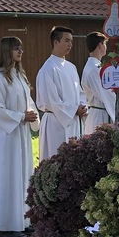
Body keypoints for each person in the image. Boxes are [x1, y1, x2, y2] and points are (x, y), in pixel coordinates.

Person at [0, 37, 40, 237]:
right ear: (6, 51)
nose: (20, 52)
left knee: (22, 175)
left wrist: (32, 115)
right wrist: (20, 116)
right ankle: (5, 225)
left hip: (21, 134)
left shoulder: (19, 76)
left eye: (21, 48)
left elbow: (29, 102)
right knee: (9, 177)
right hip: (7, 136)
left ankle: (22, 221)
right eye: (16, 49)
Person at [36, 26, 87, 161]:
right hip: (56, 123)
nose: (70, 44)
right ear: (56, 42)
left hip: (74, 121)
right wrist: (74, 110)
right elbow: (50, 100)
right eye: (66, 40)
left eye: (71, 41)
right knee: (57, 158)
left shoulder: (71, 67)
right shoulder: (48, 68)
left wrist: (83, 106)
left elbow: (79, 92)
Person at [81, 32, 117, 135]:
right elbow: (105, 93)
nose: (106, 47)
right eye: (104, 43)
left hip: (101, 112)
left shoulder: (96, 66)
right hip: (99, 115)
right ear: (100, 45)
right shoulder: (94, 68)